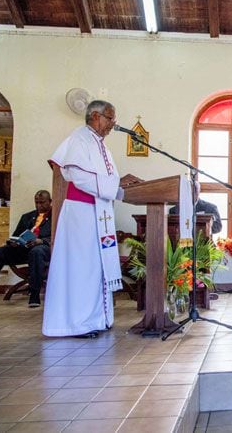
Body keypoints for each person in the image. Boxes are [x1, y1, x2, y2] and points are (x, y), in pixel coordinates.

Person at [42, 100, 139, 338]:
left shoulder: (101, 146)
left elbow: (107, 182)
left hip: (98, 212)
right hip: (81, 214)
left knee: (95, 268)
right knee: (81, 268)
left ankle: (96, 319)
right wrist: (117, 183)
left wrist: (125, 187)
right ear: (95, 116)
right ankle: (76, 323)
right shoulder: (79, 140)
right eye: (109, 118)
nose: (112, 124)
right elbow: (80, 177)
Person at [0, 190, 52, 307]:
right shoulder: (27, 217)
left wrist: (40, 241)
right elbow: (16, 235)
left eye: (42, 203)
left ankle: (34, 295)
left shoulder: (55, 216)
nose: (39, 206)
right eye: (36, 202)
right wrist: (14, 242)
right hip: (23, 249)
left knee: (37, 251)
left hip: (42, 249)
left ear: (50, 202)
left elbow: (58, 237)